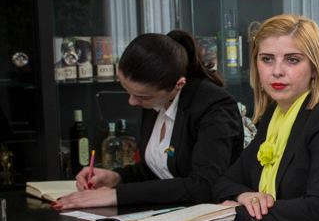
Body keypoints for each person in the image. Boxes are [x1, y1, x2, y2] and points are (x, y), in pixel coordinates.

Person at [54, 30, 242, 210]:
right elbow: (157, 170)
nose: (132, 101)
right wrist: (116, 178)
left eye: (142, 96)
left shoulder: (214, 106)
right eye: (128, 91)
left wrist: (117, 195)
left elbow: (204, 186)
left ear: (178, 85)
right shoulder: (155, 99)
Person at [213, 14, 319, 221]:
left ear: (314, 67)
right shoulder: (274, 115)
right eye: (267, 59)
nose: (277, 71)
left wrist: (239, 213)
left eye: (292, 60)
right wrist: (245, 196)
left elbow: (318, 209)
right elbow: (224, 182)